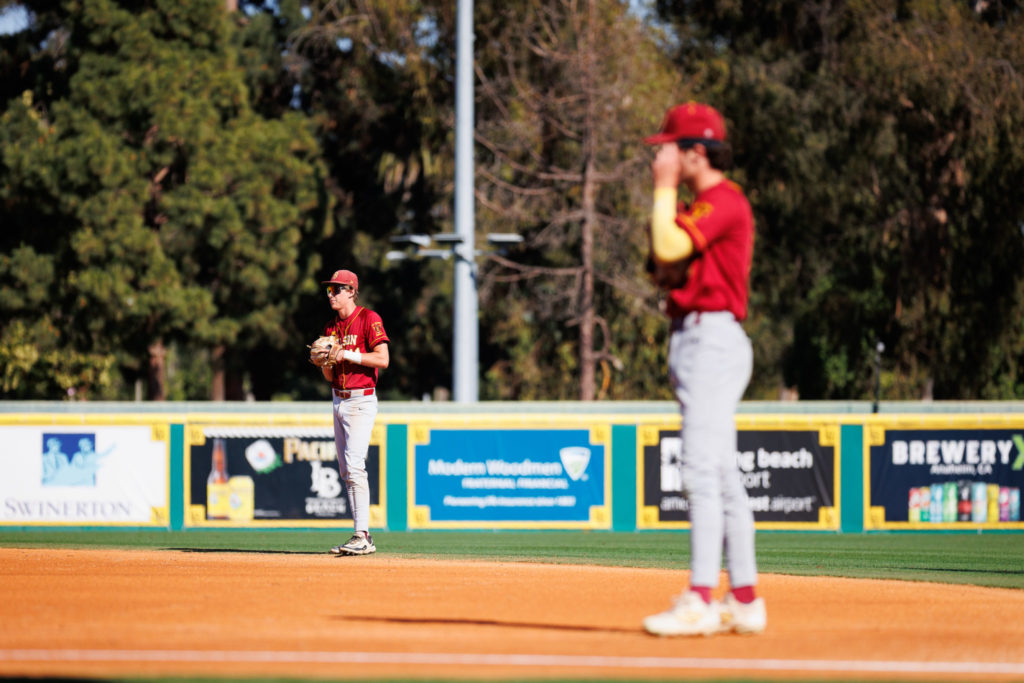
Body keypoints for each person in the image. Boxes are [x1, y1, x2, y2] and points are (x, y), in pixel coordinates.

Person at [640, 102, 766, 636]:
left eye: (670, 148)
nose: (662, 157)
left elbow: (669, 244)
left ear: (696, 152)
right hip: (699, 336)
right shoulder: (701, 207)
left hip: (712, 337)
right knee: (721, 474)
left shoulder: (724, 200)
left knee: (698, 471)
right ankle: (744, 598)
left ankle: (699, 598)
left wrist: (663, 188)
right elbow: (662, 262)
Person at [316, 269, 390, 556]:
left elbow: (383, 359)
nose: (331, 294)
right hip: (338, 399)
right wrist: (324, 362)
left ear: (350, 291)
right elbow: (329, 377)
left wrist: (345, 354)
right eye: (329, 290)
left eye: (336, 289)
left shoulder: (368, 318)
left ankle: (363, 535)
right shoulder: (331, 327)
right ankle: (360, 534)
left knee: (355, 465)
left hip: (361, 399)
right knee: (346, 470)